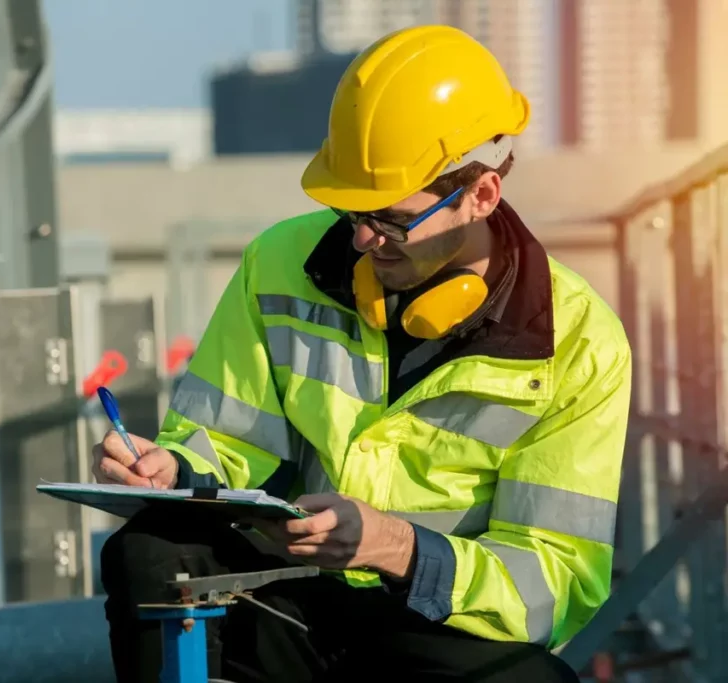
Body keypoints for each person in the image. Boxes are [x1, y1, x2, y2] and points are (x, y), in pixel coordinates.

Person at [94, 25, 631, 683]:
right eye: (350, 211)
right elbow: (223, 440)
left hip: (436, 623)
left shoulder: (578, 344)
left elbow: (554, 580)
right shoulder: (278, 263)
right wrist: (174, 466)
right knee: (149, 553)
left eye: (391, 217)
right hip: (295, 592)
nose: (363, 238)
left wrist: (398, 547)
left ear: (483, 195)